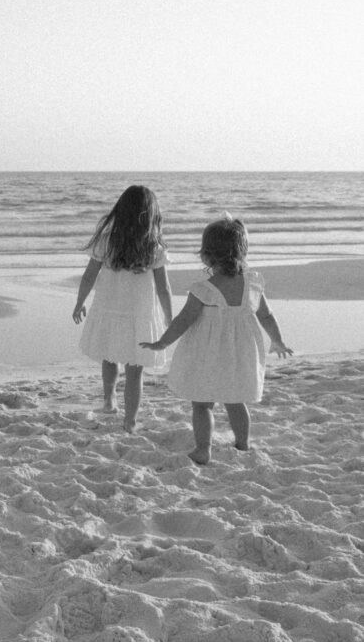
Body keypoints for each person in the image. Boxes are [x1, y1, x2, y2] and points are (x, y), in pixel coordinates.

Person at [140, 216, 293, 464]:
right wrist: (277, 340)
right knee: (235, 401)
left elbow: (183, 320)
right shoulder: (253, 283)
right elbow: (266, 315)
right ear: (242, 251)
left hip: (208, 354)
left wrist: (162, 343)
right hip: (240, 354)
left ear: (207, 255)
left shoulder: (204, 288)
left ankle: (203, 448)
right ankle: (243, 444)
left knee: (202, 403)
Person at [72, 185, 173, 431]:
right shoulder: (154, 248)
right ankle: (130, 420)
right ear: (151, 215)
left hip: (109, 309)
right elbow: (164, 288)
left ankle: (109, 401)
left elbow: (88, 277)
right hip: (140, 314)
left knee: (108, 357)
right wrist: (170, 319)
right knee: (135, 371)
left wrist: (80, 302)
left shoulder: (106, 242)